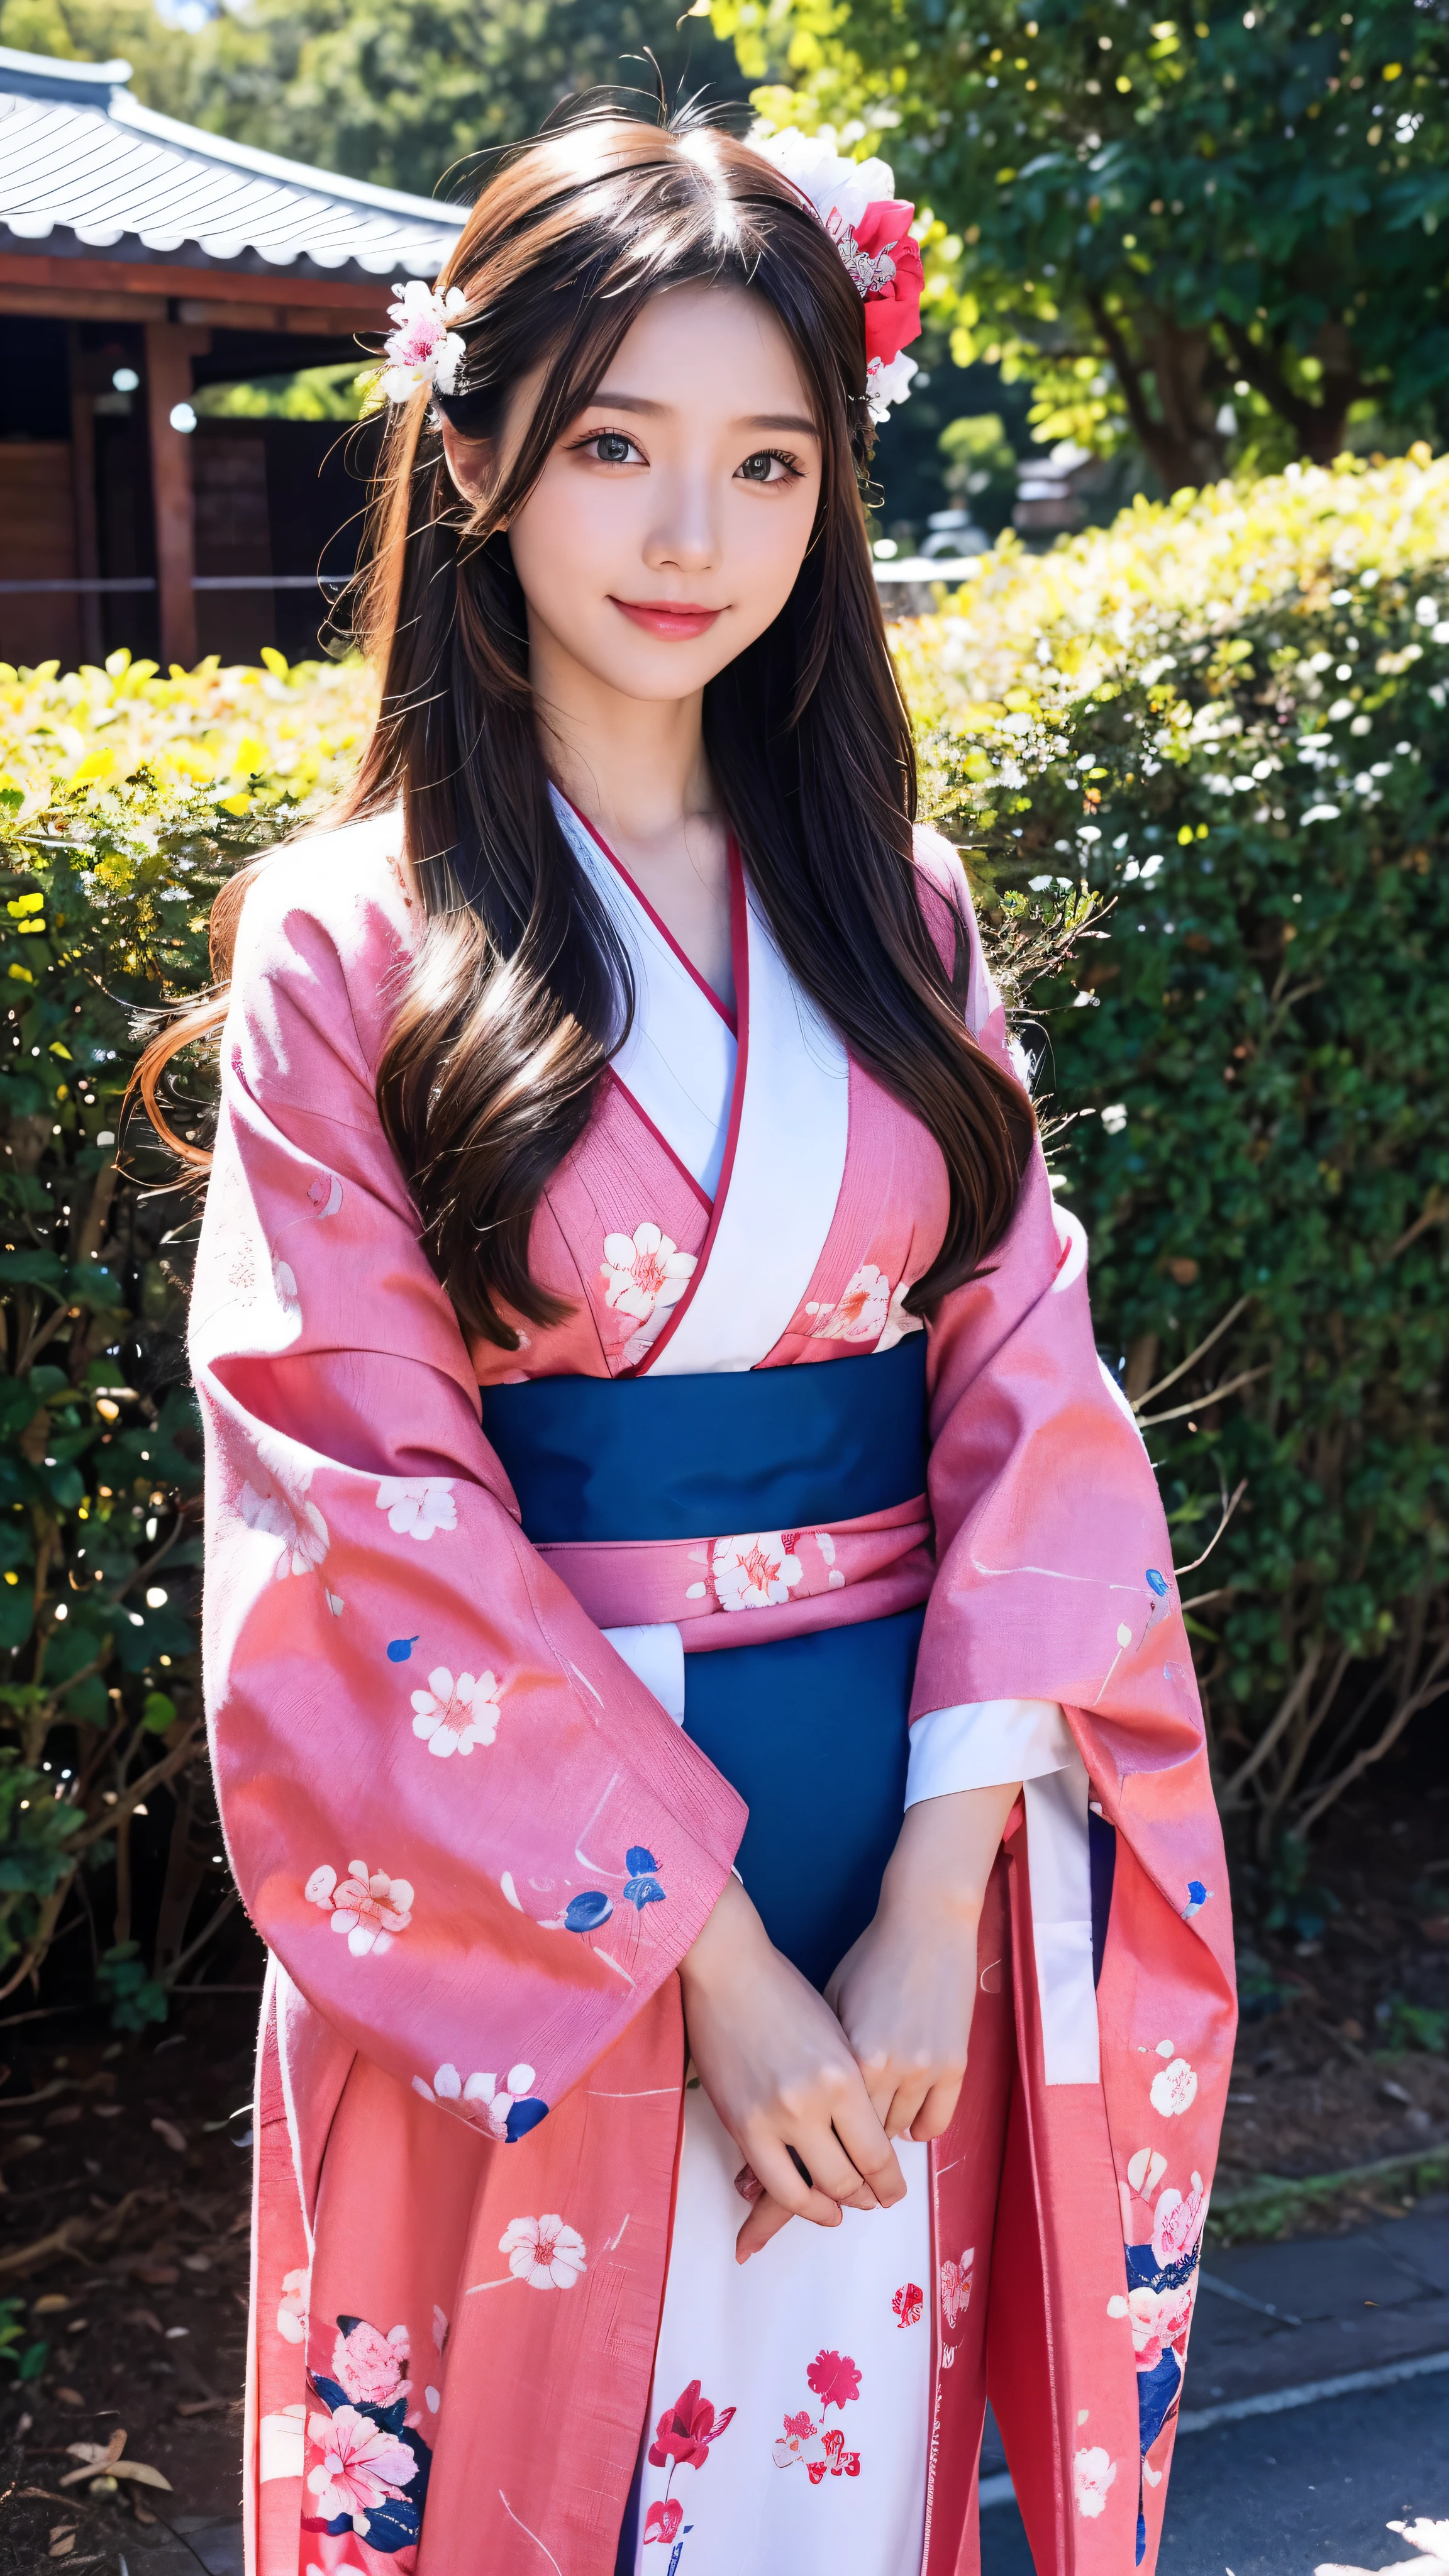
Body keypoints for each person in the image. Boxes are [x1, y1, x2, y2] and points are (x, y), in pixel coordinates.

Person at [153, 105, 1235, 2576]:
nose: (687, 537)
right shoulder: (345, 944)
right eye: (618, 447)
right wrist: (722, 1964)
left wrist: (941, 1898)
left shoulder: (899, 909)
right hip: (561, 1885)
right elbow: (363, 1499)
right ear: (476, 443)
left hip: (902, 1866)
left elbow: (1031, 1394)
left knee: (850, 2479)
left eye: (767, 464)